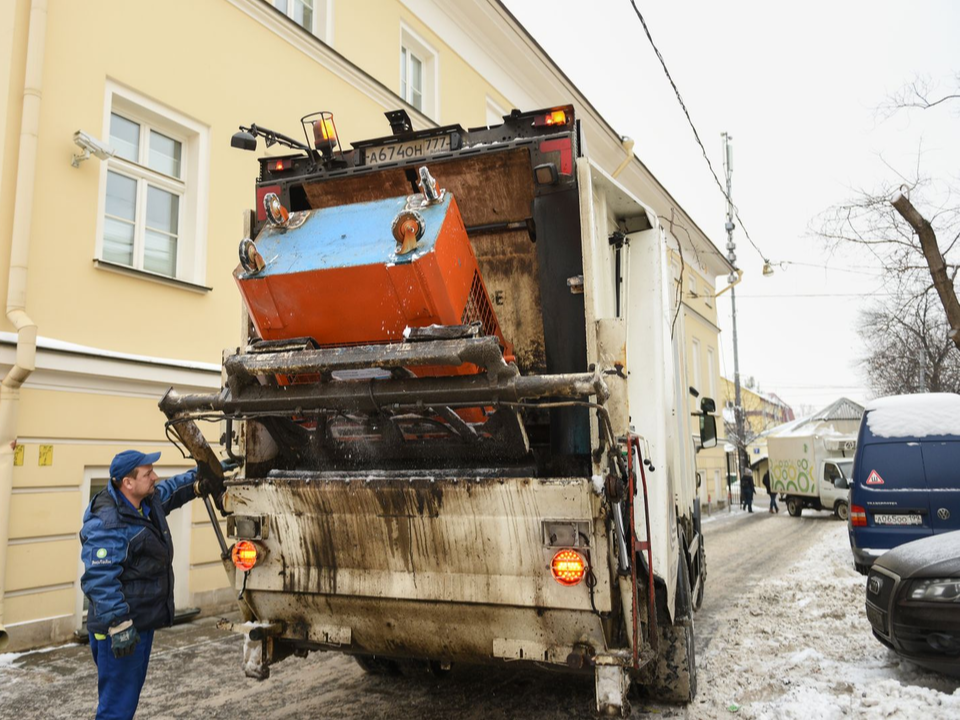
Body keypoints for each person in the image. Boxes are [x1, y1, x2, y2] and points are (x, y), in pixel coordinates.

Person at [80, 450, 218, 720]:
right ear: (127, 483)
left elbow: (172, 489)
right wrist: (119, 624)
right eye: (148, 473)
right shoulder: (108, 521)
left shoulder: (144, 502)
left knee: (124, 701)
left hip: (139, 624)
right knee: (116, 707)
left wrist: (206, 475)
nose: (155, 476)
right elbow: (100, 578)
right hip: (119, 630)